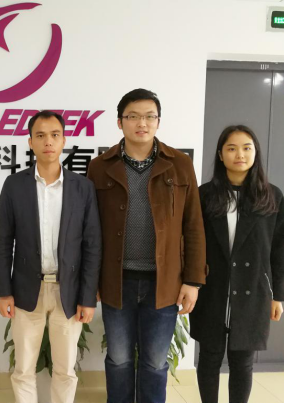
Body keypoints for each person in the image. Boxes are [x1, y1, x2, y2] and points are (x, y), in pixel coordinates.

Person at [87, 88, 207, 403]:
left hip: (164, 283)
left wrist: (193, 280)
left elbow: (193, 225)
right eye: (133, 116)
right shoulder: (100, 166)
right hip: (116, 281)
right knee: (119, 359)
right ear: (120, 122)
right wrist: (91, 280)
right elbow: (90, 231)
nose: (142, 123)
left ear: (158, 121)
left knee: (155, 362)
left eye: (149, 116)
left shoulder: (179, 164)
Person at [0, 110, 102, 403]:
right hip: (26, 290)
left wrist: (88, 297)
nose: (48, 142)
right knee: (23, 369)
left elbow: (92, 246)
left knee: (65, 370)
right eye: (40, 136)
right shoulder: (14, 185)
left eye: (55, 135)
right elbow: (4, 242)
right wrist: (4, 291)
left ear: (64, 140)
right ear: (30, 142)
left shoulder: (82, 188)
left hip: (68, 290)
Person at [190, 125, 284, 403]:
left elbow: (279, 250)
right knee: (209, 357)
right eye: (231, 148)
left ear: (256, 152)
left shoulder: (272, 196)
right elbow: (192, 243)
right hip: (213, 288)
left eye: (246, 148)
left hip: (253, 289)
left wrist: (278, 295)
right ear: (220, 154)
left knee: (243, 361)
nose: (239, 154)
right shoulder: (205, 194)